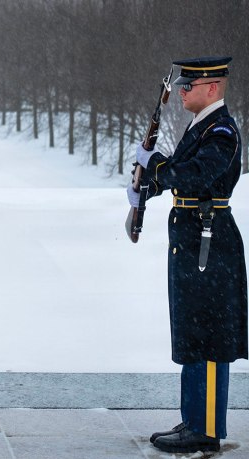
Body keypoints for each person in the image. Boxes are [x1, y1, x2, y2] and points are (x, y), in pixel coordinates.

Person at [129, 56, 246, 454]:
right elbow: (181, 172)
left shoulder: (222, 132)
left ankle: (206, 430)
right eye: (181, 86)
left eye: (188, 86)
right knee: (195, 333)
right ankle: (194, 417)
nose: (181, 92)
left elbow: (194, 174)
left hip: (208, 244)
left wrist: (158, 167)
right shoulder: (202, 127)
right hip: (194, 241)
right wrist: (147, 186)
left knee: (210, 336)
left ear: (211, 88)